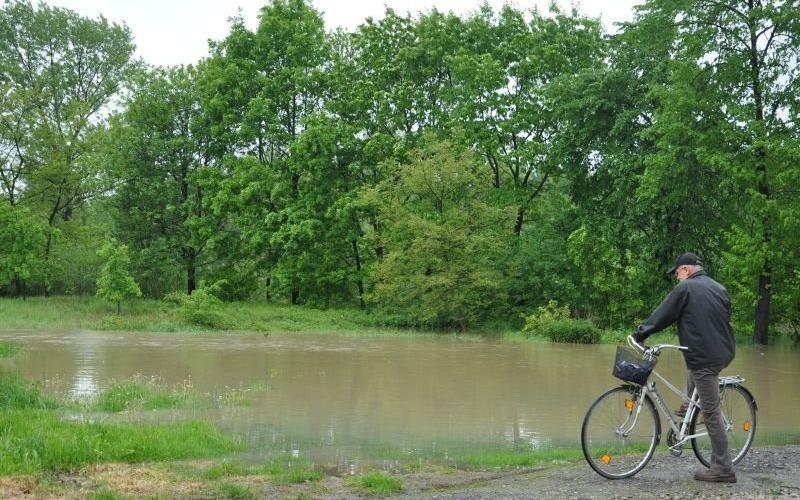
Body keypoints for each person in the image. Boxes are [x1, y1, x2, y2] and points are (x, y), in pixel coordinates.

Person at [633, 252, 737, 483]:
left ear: (686, 270)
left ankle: (723, 468)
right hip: (724, 352)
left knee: (710, 413)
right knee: (692, 369)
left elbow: (663, 314)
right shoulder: (718, 288)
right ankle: (691, 407)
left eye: (677, 272)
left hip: (705, 358)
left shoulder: (686, 288)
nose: (677, 277)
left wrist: (640, 334)